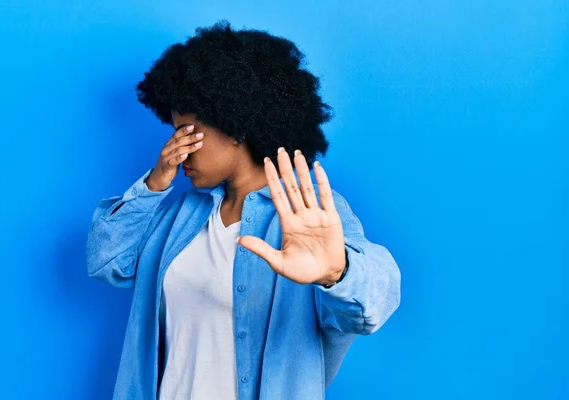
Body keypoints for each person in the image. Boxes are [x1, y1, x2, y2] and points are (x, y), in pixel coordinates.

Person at [85, 19, 401, 400]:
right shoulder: (180, 215)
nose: (175, 147)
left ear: (234, 126)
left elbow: (375, 300)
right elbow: (106, 261)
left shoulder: (306, 213)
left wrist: (337, 272)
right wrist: (155, 182)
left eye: (186, 131)